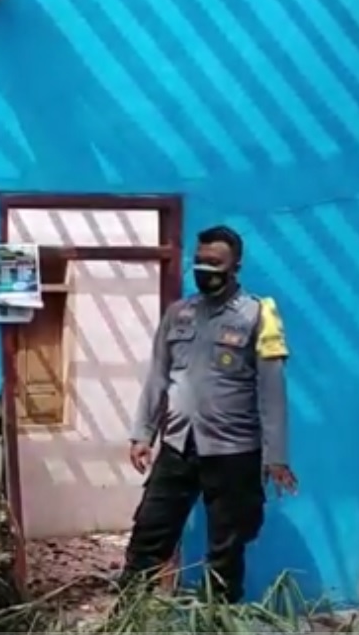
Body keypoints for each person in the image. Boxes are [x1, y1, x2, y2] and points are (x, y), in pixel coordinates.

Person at [120, 225, 298, 603]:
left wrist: (276, 455)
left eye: (215, 262)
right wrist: (142, 433)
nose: (205, 269)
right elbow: (158, 375)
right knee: (147, 538)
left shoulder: (258, 315)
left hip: (234, 451)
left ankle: (217, 622)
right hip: (177, 445)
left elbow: (272, 391)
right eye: (199, 262)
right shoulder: (178, 313)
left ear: (236, 266)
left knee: (225, 553)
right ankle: (128, 620)